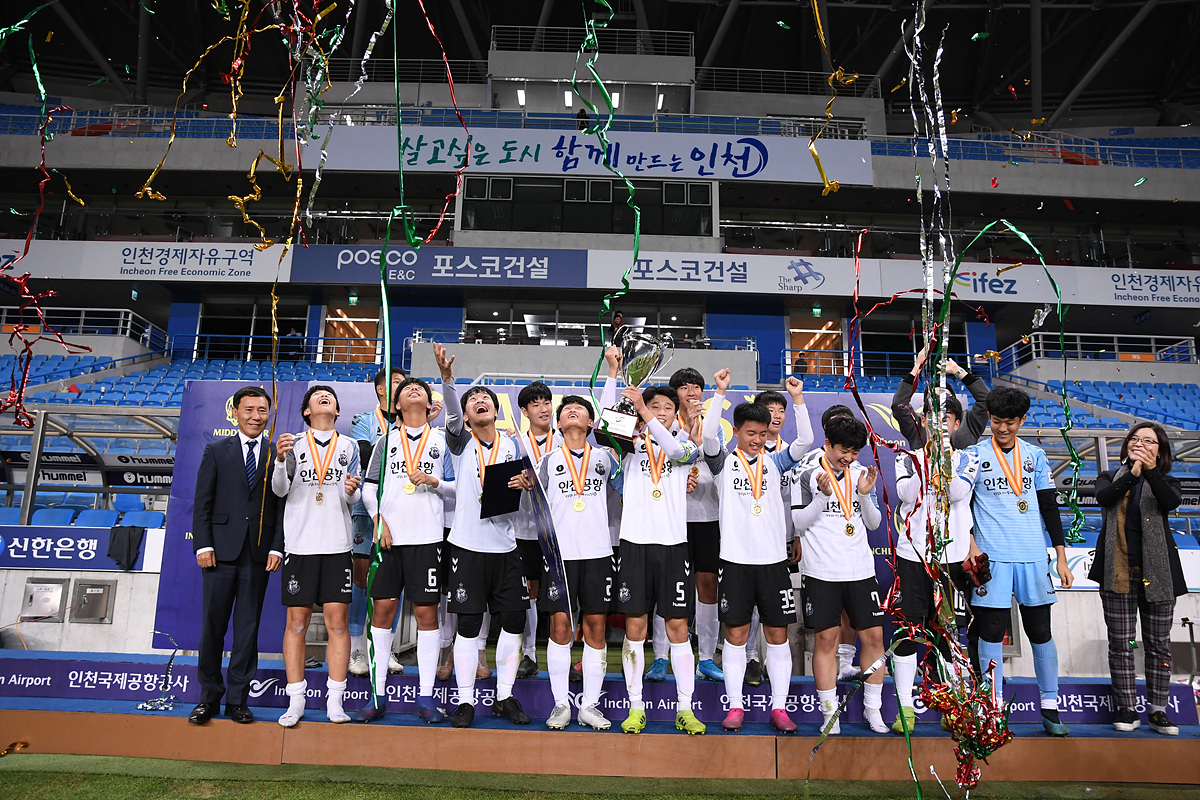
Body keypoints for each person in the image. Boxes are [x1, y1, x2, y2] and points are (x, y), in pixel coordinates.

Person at [702, 371, 812, 733]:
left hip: (773, 563)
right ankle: (735, 706)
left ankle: (779, 708)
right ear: (737, 432)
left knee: (777, 637)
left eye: (763, 434)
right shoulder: (722, 463)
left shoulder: (776, 463)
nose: (757, 440)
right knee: (735, 637)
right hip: (735, 563)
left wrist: (797, 400)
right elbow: (707, 436)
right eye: (751, 433)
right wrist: (719, 393)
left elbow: (807, 440)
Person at [433, 343, 535, 728]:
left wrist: (525, 483)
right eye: (472, 399)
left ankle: (505, 696)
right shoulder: (460, 442)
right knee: (468, 626)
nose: (479, 401)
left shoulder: (511, 444)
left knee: (514, 620)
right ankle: (465, 700)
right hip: (467, 547)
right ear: (466, 414)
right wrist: (448, 380)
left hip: (506, 546)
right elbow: (452, 415)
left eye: (485, 399)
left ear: (496, 410)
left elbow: (525, 486)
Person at [962, 386, 1073, 737]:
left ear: (1022, 420)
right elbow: (961, 506)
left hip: (1032, 557)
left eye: (1010, 422)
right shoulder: (974, 455)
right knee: (991, 632)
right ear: (989, 419)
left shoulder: (1035, 456)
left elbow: (1049, 506)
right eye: (996, 421)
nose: (1002, 428)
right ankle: (991, 707)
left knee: (1040, 632)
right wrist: (970, 545)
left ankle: (1050, 707)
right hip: (992, 558)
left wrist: (1061, 557)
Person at [355, 377, 455, 723]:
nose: (414, 389)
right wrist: (377, 519)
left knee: (427, 616)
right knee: (382, 613)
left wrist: (435, 481)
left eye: (421, 389)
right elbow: (369, 488)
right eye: (406, 389)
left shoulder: (441, 441)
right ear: (396, 404)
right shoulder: (386, 442)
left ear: (429, 403)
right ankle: (377, 694)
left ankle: (425, 697)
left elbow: (457, 488)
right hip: (388, 540)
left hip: (427, 541)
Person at [189, 386, 283, 725]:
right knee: (212, 627)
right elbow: (202, 501)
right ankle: (208, 698)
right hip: (219, 553)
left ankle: (238, 701)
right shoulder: (216, 450)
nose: (256, 416)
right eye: (249, 410)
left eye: (262, 410)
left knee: (247, 629)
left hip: (258, 554)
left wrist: (277, 546)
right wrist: (203, 545)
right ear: (235, 413)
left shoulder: (277, 454)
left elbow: (282, 506)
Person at [615, 384, 705, 735]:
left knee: (678, 628)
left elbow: (675, 449)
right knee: (635, 628)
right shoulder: (629, 444)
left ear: (675, 414)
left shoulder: (685, 445)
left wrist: (644, 410)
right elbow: (607, 420)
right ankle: (635, 706)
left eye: (668, 407)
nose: (662, 411)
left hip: (673, 546)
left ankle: (685, 707)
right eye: (655, 406)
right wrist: (614, 375)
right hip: (634, 545)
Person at [890, 393, 982, 733]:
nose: (939, 424)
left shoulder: (967, 456)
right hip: (912, 555)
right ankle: (905, 708)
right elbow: (906, 495)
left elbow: (956, 492)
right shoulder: (907, 457)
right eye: (932, 417)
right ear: (922, 422)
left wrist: (941, 455)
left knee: (949, 634)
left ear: (956, 424)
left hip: (951, 559)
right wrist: (927, 455)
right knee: (908, 631)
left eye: (946, 418)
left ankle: (954, 705)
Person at [272, 385, 362, 727]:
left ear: (337, 411)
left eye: (331, 397)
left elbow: (351, 498)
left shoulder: (349, 446)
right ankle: (296, 700)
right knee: (297, 624)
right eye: (317, 396)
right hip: (301, 545)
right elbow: (280, 489)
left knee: (337, 624)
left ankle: (335, 701)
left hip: (337, 545)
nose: (325, 398)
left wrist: (351, 491)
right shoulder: (292, 443)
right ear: (307, 411)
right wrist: (279, 461)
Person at [791, 414, 886, 734]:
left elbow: (873, 523)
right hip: (821, 572)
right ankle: (829, 714)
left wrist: (865, 495)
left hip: (860, 570)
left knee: (874, 638)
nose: (848, 458)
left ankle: (873, 710)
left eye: (855, 452)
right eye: (843, 450)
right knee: (826, 641)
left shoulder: (860, 474)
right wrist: (822, 497)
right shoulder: (806, 473)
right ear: (827, 444)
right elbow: (799, 523)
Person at [1091, 421, 1185, 736]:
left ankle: (1158, 710)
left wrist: (1150, 471)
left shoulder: (1168, 481)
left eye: (1148, 441)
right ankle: (1127, 708)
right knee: (1121, 644)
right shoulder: (1109, 477)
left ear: (1160, 451)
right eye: (1135, 439)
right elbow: (1105, 497)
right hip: (1117, 572)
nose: (1140, 444)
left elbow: (1169, 502)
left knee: (1159, 645)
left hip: (1159, 574)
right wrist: (1132, 474)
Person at [536, 395, 621, 730]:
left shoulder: (605, 459)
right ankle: (561, 704)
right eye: (566, 410)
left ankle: (590, 706)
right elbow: (532, 500)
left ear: (591, 422)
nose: (573, 410)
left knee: (595, 628)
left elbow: (629, 489)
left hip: (598, 553)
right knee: (560, 629)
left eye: (581, 409)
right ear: (558, 424)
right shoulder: (546, 460)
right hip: (560, 556)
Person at [668, 367, 723, 683]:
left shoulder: (715, 426)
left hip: (707, 517)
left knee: (708, 587)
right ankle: (660, 657)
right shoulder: (665, 424)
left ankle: (706, 657)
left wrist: (701, 438)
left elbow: (721, 468)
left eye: (697, 387)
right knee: (669, 588)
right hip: (672, 517)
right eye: (684, 387)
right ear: (675, 394)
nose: (691, 392)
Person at [514, 380, 557, 679]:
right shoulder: (513, 442)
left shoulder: (565, 441)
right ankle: (529, 653)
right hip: (524, 528)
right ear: (524, 411)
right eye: (536, 404)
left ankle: (560, 651)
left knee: (562, 591)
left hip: (559, 530)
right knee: (529, 590)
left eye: (547, 402)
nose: (543, 409)